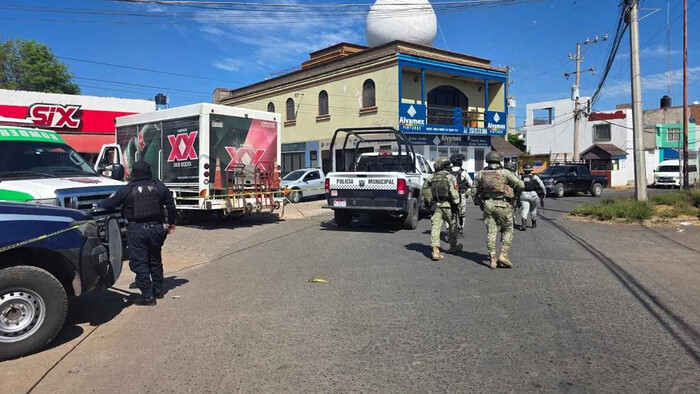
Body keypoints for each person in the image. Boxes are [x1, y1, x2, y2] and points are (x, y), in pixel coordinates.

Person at [102, 161, 176, 306]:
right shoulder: (159, 186)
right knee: (155, 259)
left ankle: (148, 297)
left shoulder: (128, 189)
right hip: (156, 229)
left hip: (137, 230)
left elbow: (108, 204)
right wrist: (171, 222)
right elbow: (171, 205)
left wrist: (103, 203)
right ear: (149, 172)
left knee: (140, 262)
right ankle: (158, 291)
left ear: (134, 173)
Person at [471, 151, 524, 269]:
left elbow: (473, 191)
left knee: (491, 231)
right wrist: (515, 196)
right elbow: (521, 185)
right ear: (499, 160)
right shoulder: (505, 173)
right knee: (508, 229)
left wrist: (479, 203)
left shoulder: (481, 174)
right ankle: (503, 255)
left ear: (487, 160)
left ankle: (492, 259)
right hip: (503, 204)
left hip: (488, 204)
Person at [422, 157, 462, 261]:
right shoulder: (450, 177)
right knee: (453, 225)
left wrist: (430, 199)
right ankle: (453, 247)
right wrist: (457, 204)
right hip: (449, 206)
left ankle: (435, 250)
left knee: (435, 227)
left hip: (436, 206)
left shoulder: (431, 177)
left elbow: (425, 189)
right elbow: (454, 193)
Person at [449, 153, 473, 236]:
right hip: (461, 195)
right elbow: (471, 184)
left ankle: (449, 229)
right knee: (462, 213)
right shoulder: (463, 172)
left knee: (450, 213)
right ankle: (460, 229)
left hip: (449, 197)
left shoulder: (448, 171)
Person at [518, 164, 547, 230]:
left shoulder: (520, 177)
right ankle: (533, 223)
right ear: (531, 170)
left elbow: (516, 185)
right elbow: (542, 185)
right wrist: (544, 194)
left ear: (523, 170)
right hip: (533, 195)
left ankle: (523, 224)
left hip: (523, 194)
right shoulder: (535, 177)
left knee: (525, 210)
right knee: (533, 209)